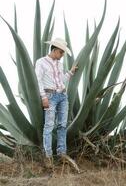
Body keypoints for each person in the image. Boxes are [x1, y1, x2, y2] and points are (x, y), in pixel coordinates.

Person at [35, 38, 78, 168]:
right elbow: (38, 81)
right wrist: (43, 98)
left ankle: (61, 153)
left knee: (62, 125)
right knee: (49, 126)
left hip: (62, 96)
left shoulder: (59, 64)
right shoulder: (41, 62)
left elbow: (61, 80)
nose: (62, 55)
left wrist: (70, 72)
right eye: (61, 52)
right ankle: (48, 156)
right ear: (54, 50)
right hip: (50, 96)